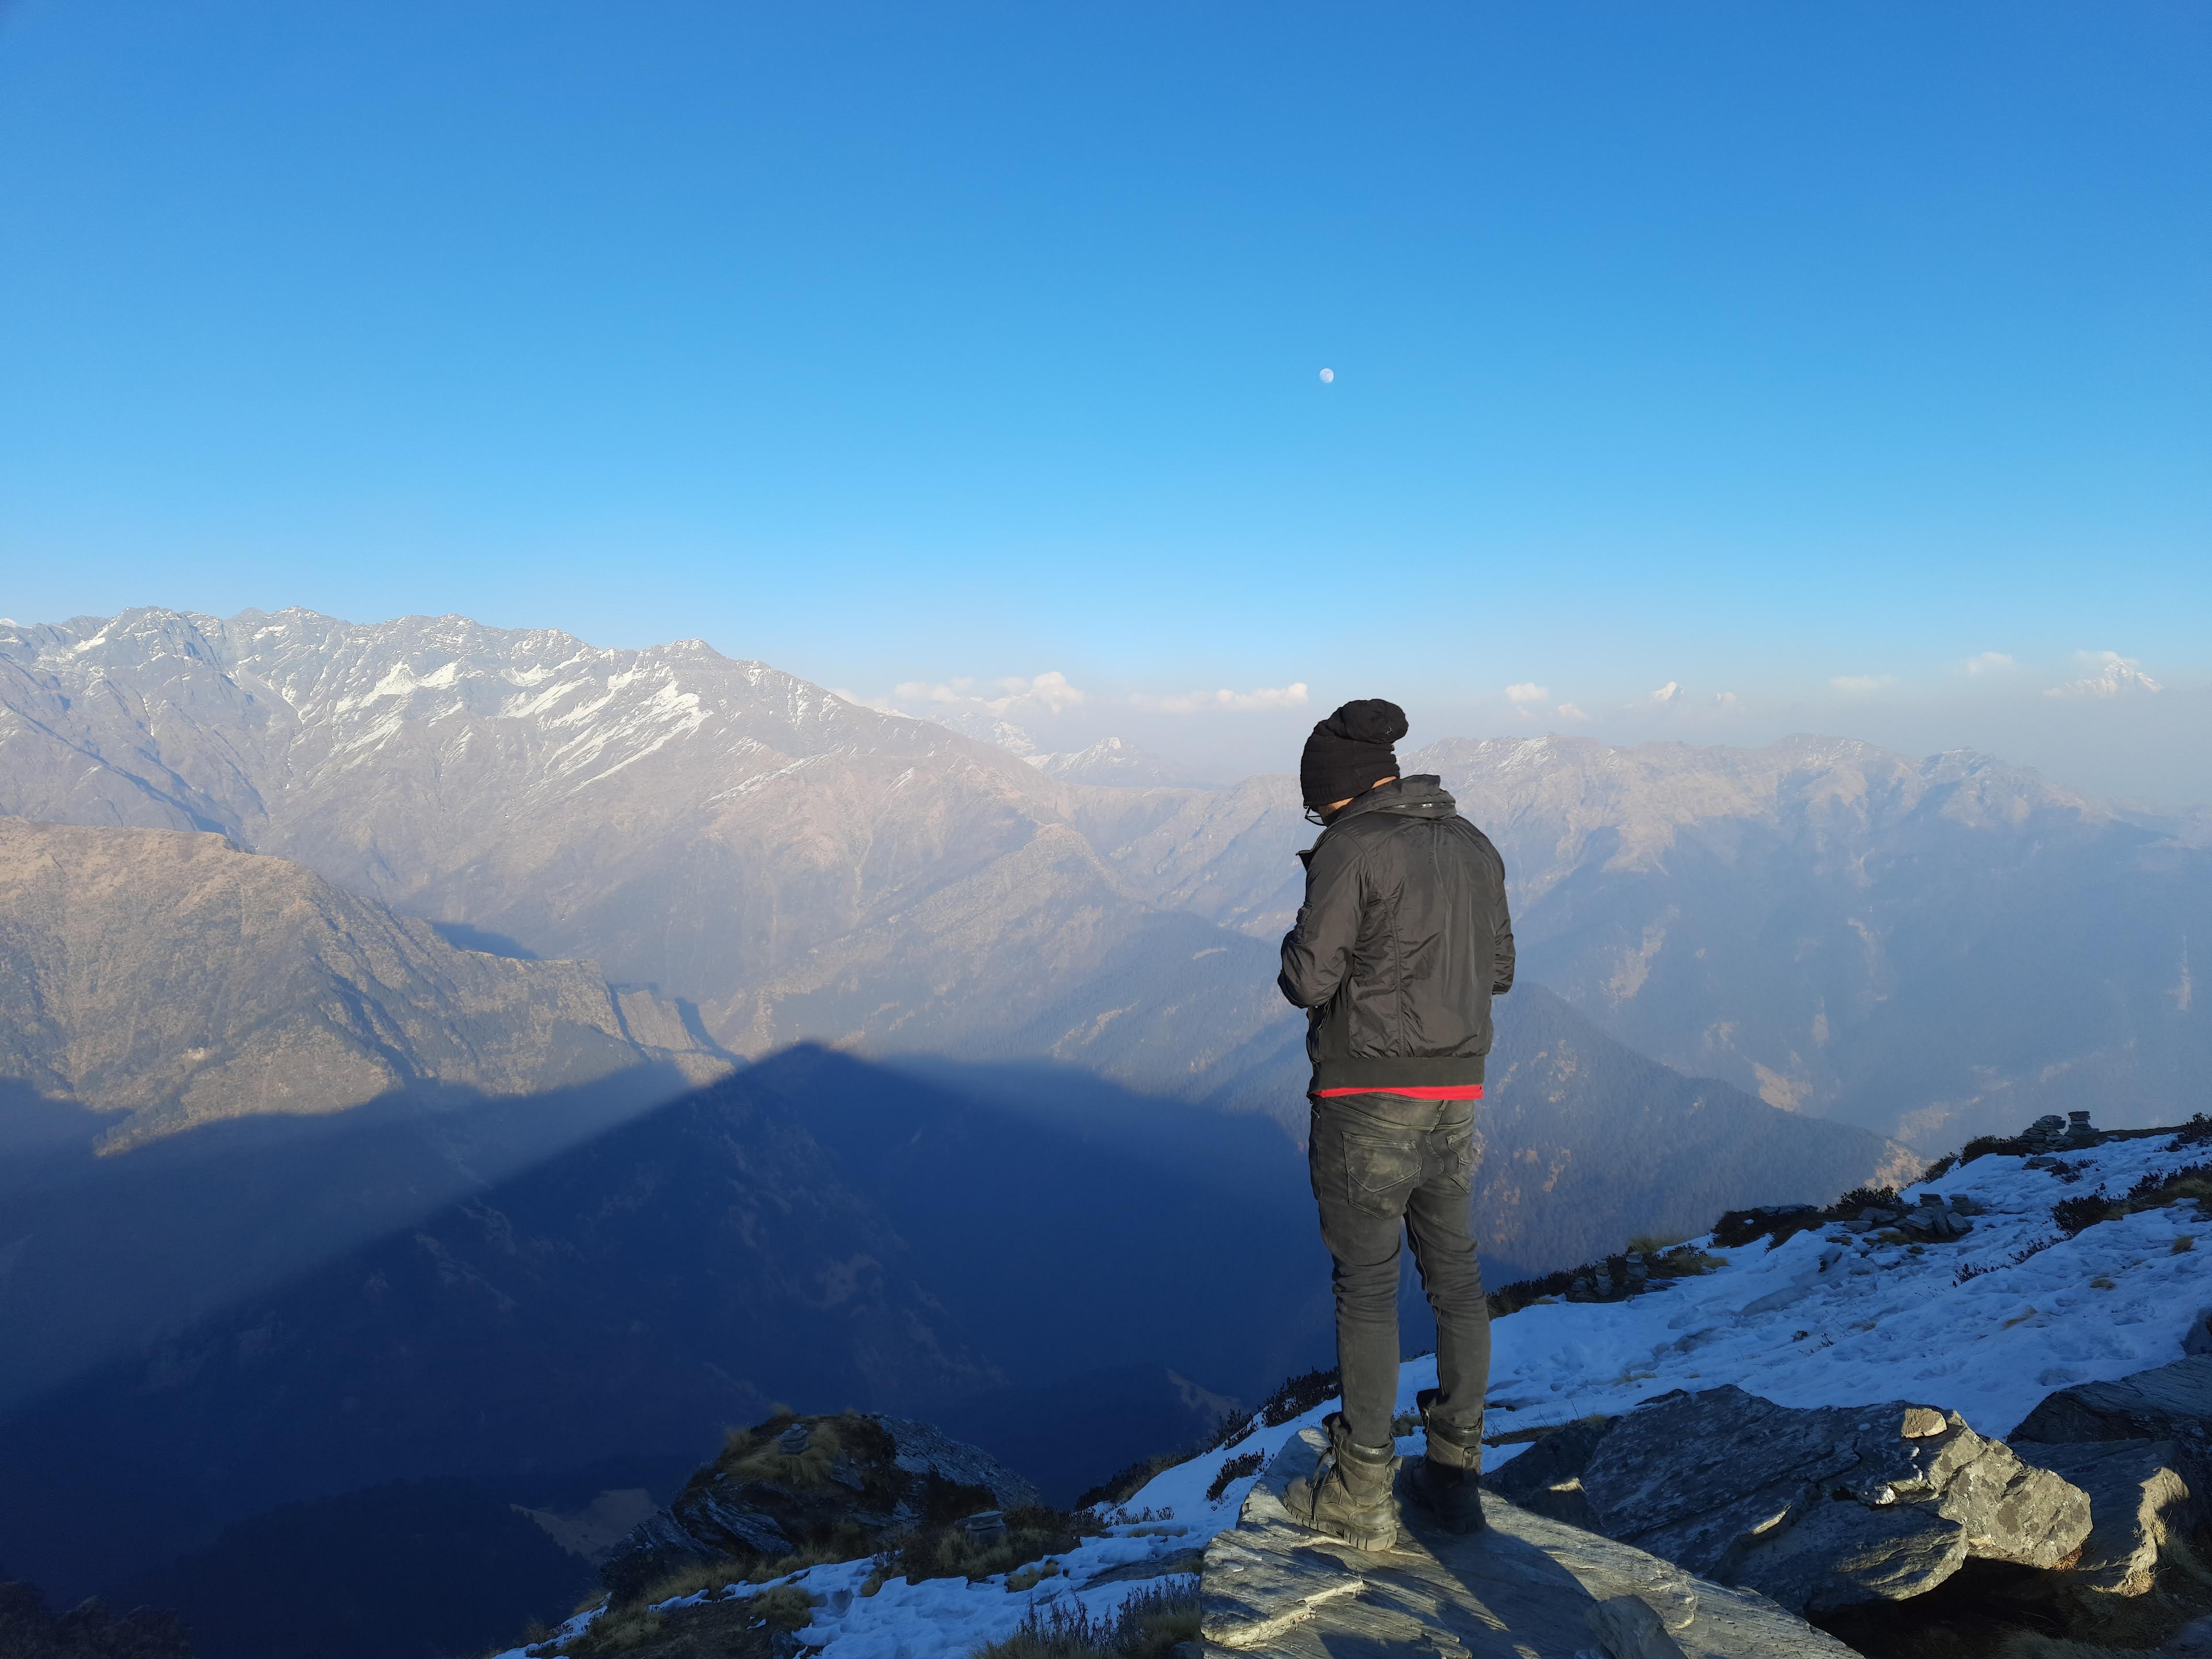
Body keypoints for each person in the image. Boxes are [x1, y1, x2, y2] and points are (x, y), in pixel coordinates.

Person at [1275, 698, 1515, 1550]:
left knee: (1368, 1287)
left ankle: (1360, 1486)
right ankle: (1454, 1480)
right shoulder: (1473, 844)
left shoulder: (1350, 847)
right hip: (1456, 1095)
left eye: (1317, 804)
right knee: (1456, 1277)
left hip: (1363, 1098)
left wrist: (1296, 941)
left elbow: (1309, 980)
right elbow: (1500, 971)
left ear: (1336, 793)